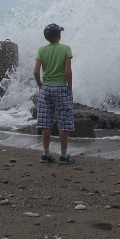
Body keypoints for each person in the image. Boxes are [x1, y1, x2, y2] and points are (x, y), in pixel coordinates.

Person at [34, 23, 75, 164]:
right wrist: (70, 87)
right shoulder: (65, 49)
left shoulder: (42, 50)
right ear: (59, 36)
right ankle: (63, 156)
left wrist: (40, 84)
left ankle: (45, 154)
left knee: (46, 123)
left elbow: (36, 71)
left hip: (46, 88)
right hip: (61, 88)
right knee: (64, 122)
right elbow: (67, 71)